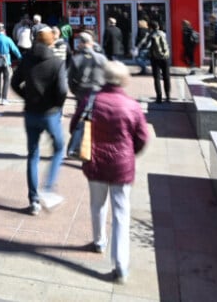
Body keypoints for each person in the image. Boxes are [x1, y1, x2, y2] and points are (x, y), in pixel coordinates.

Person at [69, 60, 150, 284]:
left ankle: (99, 241)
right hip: (121, 165)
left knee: (97, 203)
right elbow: (142, 137)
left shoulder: (90, 100)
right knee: (121, 212)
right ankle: (121, 265)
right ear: (124, 79)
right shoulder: (132, 105)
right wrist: (130, 153)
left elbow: (73, 126)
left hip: (94, 161)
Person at [11, 26, 69, 215]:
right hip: (50, 113)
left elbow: (14, 83)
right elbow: (62, 90)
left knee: (33, 154)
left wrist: (26, 96)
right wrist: (58, 105)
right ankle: (49, 186)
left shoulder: (27, 59)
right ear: (51, 40)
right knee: (59, 148)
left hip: (31, 112)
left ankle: (33, 200)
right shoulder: (56, 62)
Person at [66, 32, 108, 158]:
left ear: (81, 43)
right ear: (90, 43)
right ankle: (95, 148)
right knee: (98, 121)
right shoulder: (101, 58)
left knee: (80, 119)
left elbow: (70, 79)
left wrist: (75, 91)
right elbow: (108, 75)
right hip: (98, 92)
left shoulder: (76, 59)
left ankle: (74, 148)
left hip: (82, 93)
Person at [0, 24, 21, 104]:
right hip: (6, 62)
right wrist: (20, 57)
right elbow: (14, 49)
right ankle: (4, 99)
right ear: (3, 31)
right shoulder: (7, 39)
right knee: (6, 79)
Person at [138, 21, 171, 103]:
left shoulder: (151, 35)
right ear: (158, 26)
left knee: (157, 78)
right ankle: (168, 97)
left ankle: (159, 97)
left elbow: (147, 45)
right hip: (165, 57)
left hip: (155, 58)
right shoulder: (163, 34)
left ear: (151, 28)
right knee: (166, 77)